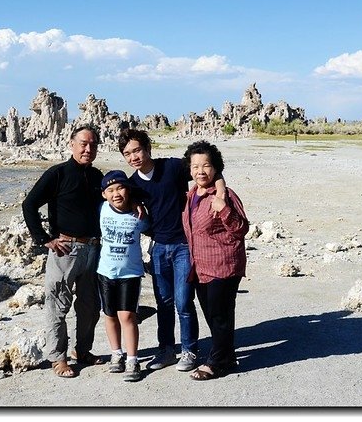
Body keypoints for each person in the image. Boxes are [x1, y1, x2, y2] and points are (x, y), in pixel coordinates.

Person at [118, 128, 227, 373]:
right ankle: (166, 349)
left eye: (137, 150)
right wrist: (134, 203)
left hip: (183, 246)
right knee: (163, 302)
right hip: (157, 248)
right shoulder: (133, 184)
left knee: (183, 301)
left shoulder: (173, 167)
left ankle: (189, 350)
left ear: (147, 148)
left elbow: (211, 172)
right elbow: (115, 198)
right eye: (128, 153)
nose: (134, 157)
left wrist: (220, 193)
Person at [21, 125, 105, 378]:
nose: (88, 149)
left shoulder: (96, 176)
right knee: (58, 304)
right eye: (83, 143)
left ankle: (83, 351)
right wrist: (44, 239)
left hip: (93, 249)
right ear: (71, 144)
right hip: (64, 250)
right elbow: (29, 204)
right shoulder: (57, 174)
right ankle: (58, 358)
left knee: (90, 306)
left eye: (93, 145)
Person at [181, 140, 249, 381]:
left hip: (224, 264)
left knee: (220, 315)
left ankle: (217, 363)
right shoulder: (191, 195)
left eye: (206, 166)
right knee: (212, 313)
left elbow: (241, 229)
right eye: (195, 166)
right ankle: (227, 356)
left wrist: (223, 208)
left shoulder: (226, 195)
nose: (201, 171)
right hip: (200, 266)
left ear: (216, 168)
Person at [97, 170, 151, 383]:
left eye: (120, 188)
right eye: (110, 190)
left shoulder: (138, 215)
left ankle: (132, 358)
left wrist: (139, 203)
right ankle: (116, 353)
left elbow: (151, 225)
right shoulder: (101, 208)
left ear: (128, 190)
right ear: (104, 194)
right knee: (109, 315)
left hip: (130, 273)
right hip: (105, 271)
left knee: (127, 316)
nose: (116, 193)